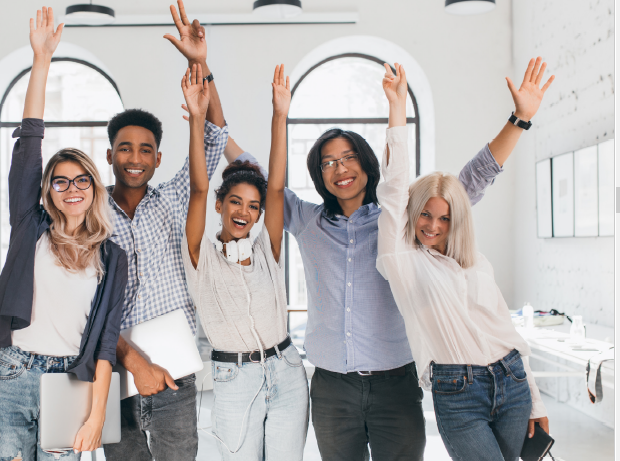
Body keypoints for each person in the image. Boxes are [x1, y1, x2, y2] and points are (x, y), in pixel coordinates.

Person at [230, 56, 552, 460]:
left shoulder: (400, 221)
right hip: (333, 387)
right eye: (328, 162)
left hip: (395, 384)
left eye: (348, 157)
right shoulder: (307, 220)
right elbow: (258, 178)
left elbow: (470, 181)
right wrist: (216, 121)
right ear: (318, 173)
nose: (339, 168)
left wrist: (518, 120)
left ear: (367, 162)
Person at [375, 60, 553, 460]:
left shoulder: (475, 263)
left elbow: (505, 331)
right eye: (424, 214)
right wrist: (397, 107)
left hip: (512, 381)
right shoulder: (402, 259)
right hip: (458, 392)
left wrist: (536, 400)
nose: (433, 225)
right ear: (411, 212)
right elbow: (394, 187)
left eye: (444, 217)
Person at [0, 7, 127, 460]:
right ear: (47, 192)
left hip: (70, 381)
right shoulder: (30, 228)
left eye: (81, 179)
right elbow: (29, 146)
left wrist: (98, 414)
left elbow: (106, 343)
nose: (72, 188)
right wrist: (41, 60)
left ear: (94, 187)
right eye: (59, 180)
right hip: (14, 376)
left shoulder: (112, 256)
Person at [101, 1, 230, 459]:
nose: (134, 158)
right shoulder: (89, 214)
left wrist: (200, 62)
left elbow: (215, 134)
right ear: (110, 155)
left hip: (175, 367)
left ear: (158, 158)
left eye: (145, 150)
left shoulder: (177, 198)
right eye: (124, 149)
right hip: (111, 368)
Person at [181, 63, 309, 460]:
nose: (244, 212)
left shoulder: (266, 250)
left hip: (287, 370)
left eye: (253, 207)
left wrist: (279, 116)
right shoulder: (200, 256)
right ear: (221, 205)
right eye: (235, 201)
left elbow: (275, 187)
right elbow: (199, 187)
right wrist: (197, 121)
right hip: (234, 379)